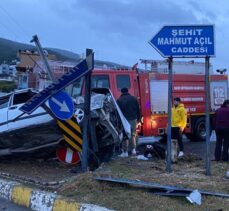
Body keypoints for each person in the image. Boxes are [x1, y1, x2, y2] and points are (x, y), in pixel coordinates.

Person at [117, 87, 140, 157]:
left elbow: (118, 112)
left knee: (125, 135)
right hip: (133, 119)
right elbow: (138, 109)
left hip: (124, 120)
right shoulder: (134, 99)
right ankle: (133, 150)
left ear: (121, 92)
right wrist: (138, 119)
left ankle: (125, 152)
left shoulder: (119, 100)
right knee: (133, 134)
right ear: (127, 91)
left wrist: (118, 122)